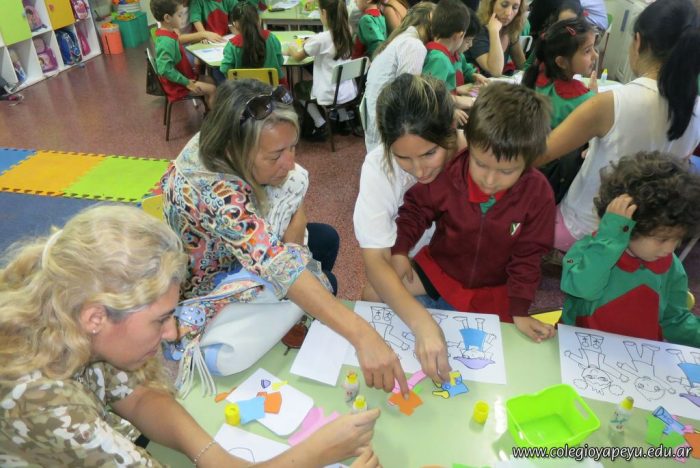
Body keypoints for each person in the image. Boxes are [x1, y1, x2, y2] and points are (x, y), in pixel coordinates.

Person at [0, 205, 381, 467]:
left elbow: (138, 396)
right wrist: (310, 456)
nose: (173, 332)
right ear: (96, 317)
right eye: (160, 320)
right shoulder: (39, 399)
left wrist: (215, 457)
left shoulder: (76, 313)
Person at [162, 79, 410, 395]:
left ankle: (294, 314)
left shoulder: (219, 138)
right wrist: (363, 335)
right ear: (234, 150)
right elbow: (276, 263)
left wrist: (296, 236)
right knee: (324, 282)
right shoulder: (216, 193)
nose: (290, 163)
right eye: (276, 155)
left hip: (242, 251)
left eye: (293, 147)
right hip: (212, 286)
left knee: (326, 240)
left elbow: (288, 215)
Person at [391, 82, 557, 342]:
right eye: (480, 164)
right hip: (440, 271)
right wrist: (400, 250)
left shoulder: (538, 194)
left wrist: (520, 310)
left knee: (490, 344)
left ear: (528, 162)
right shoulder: (450, 173)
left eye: (506, 171)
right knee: (376, 294)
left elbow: (529, 256)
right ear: (469, 143)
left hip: (494, 288)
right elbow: (415, 210)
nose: (489, 180)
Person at [537, 0, 700, 252]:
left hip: (584, 232)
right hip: (642, 242)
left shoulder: (612, 103)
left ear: (638, 41)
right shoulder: (695, 109)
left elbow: (540, 154)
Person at [354, 73, 464, 384]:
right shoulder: (379, 166)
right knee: (372, 294)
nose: (419, 170)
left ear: (451, 130)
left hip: (463, 263)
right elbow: (376, 260)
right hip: (418, 266)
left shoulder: (475, 159)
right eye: (403, 157)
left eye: (429, 153)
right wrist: (422, 324)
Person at [561, 152, 700, 347]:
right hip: (580, 347)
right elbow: (581, 288)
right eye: (661, 239)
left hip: (637, 355)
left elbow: (674, 320)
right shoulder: (591, 248)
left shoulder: (671, 266)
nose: (670, 248)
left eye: (677, 239)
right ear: (631, 226)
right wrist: (611, 237)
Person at [522, 17, 597, 203]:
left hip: (531, 164)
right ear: (562, 62)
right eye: (587, 51)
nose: (595, 55)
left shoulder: (538, 75)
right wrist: (594, 97)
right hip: (556, 176)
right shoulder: (582, 98)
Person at [363, 2, 435, 151]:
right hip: (386, 126)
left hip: (377, 119)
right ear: (430, 19)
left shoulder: (402, 38)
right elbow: (408, 94)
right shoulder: (413, 45)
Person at [289, 0, 358, 141]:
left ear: (324, 13)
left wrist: (291, 47)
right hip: (347, 90)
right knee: (337, 80)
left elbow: (297, 56)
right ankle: (344, 119)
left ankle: (320, 124)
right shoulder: (348, 30)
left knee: (299, 89)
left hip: (329, 92)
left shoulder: (321, 39)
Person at [152, 0, 216, 109]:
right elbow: (164, 69)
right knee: (213, 89)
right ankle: (215, 117)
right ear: (167, 18)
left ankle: (208, 110)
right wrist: (186, 82)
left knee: (210, 80)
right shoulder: (166, 42)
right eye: (179, 15)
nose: (182, 18)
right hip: (178, 86)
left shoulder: (169, 34)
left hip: (182, 79)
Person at [219, 3, 286, 86]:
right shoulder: (271, 37)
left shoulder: (232, 45)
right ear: (259, 20)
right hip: (273, 88)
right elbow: (280, 61)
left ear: (235, 24)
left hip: (243, 91)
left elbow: (225, 70)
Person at [467, 0, 527, 77]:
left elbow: (523, 66)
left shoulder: (510, 30)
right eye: (504, 5)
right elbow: (495, 71)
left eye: (515, 8)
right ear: (491, 5)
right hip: (470, 83)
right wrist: (494, 31)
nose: (508, 13)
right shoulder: (479, 30)